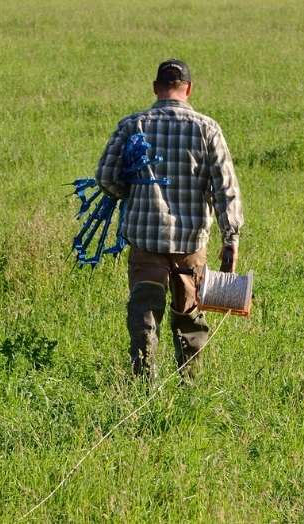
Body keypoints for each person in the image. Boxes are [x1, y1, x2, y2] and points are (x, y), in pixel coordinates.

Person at [95, 59, 244, 380]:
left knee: (145, 310)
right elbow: (225, 188)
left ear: (155, 88)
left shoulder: (132, 125)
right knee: (189, 313)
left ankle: (143, 376)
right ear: (188, 89)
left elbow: (106, 178)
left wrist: (130, 190)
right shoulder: (207, 128)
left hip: (145, 241)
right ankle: (189, 381)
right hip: (190, 243)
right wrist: (230, 239)